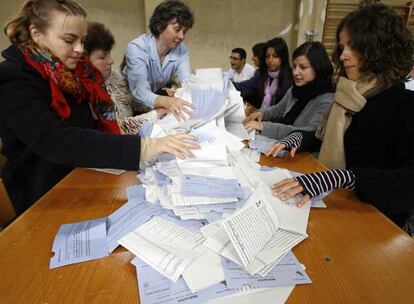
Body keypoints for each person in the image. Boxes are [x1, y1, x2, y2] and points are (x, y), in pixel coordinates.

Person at [0, 0, 199, 216]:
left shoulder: (75, 73)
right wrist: (145, 147)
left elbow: (91, 126)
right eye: (69, 40)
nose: (79, 49)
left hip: (82, 173)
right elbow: (56, 140)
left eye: (82, 41)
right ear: (37, 34)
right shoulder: (14, 77)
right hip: (43, 190)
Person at [269, 4, 414, 229]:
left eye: (353, 46)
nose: (344, 55)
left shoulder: (405, 105)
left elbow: (407, 183)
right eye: (342, 46)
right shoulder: (346, 93)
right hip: (333, 202)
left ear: (379, 48)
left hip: (375, 219)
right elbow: (330, 140)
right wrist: (300, 138)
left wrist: (347, 177)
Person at [84, 22, 166, 134]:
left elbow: (136, 101)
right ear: (84, 61)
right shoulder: (87, 91)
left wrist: (162, 100)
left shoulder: (115, 76)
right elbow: (116, 128)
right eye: (102, 57)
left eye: (109, 54)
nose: (111, 61)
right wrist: (156, 113)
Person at [243, 42, 334, 140]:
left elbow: (307, 134)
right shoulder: (295, 89)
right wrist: (262, 113)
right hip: (281, 142)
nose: (295, 72)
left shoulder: (327, 99)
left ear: (318, 68)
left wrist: (263, 127)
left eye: (303, 67)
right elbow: (278, 109)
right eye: (294, 66)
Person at [124, 0, 194, 121]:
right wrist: (168, 101)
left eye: (184, 32)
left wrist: (179, 91)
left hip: (153, 104)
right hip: (130, 105)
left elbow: (187, 82)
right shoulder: (137, 48)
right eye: (177, 30)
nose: (182, 36)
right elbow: (140, 91)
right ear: (160, 26)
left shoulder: (182, 50)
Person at [234, 37, 292, 110]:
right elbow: (245, 87)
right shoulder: (262, 74)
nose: (270, 60)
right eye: (267, 56)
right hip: (261, 117)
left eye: (275, 56)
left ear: (283, 57)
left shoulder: (290, 79)